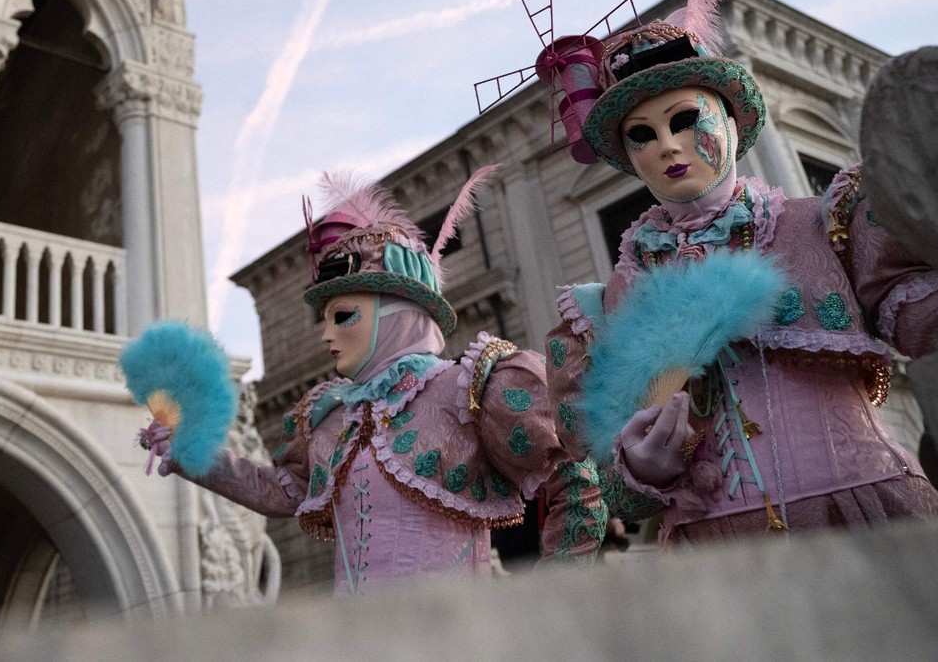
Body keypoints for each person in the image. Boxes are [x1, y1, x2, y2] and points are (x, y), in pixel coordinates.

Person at [538, 0, 938, 545]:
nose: (668, 146)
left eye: (685, 120)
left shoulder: (822, 225)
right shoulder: (615, 298)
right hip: (714, 549)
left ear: (729, 121)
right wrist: (642, 465)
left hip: (864, 518)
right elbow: (610, 481)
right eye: (642, 136)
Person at [149, 170, 607, 594]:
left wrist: (557, 592)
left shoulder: (471, 388)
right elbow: (282, 490)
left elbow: (574, 476)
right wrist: (191, 452)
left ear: (401, 314)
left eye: (343, 316)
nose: (327, 334)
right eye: (323, 320)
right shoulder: (328, 416)